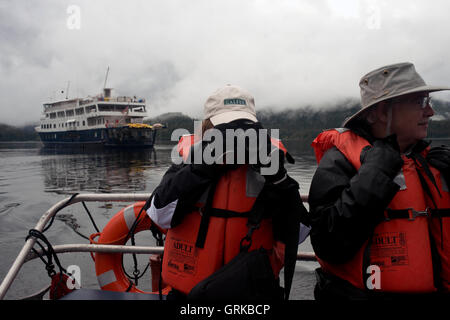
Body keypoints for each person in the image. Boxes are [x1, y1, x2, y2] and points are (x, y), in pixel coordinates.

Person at [146, 85, 309, 300]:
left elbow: (297, 234)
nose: (235, 135)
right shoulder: (189, 162)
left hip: (252, 293)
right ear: (208, 128)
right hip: (192, 293)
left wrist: (280, 181)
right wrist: (202, 166)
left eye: (244, 128)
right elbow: (159, 215)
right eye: (226, 127)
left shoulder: (268, 164)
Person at [309, 62, 450, 300]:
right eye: (420, 102)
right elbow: (328, 244)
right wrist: (375, 174)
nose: (430, 112)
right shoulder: (340, 161)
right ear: (382, 112)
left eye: (428, 102)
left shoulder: (431, 163)